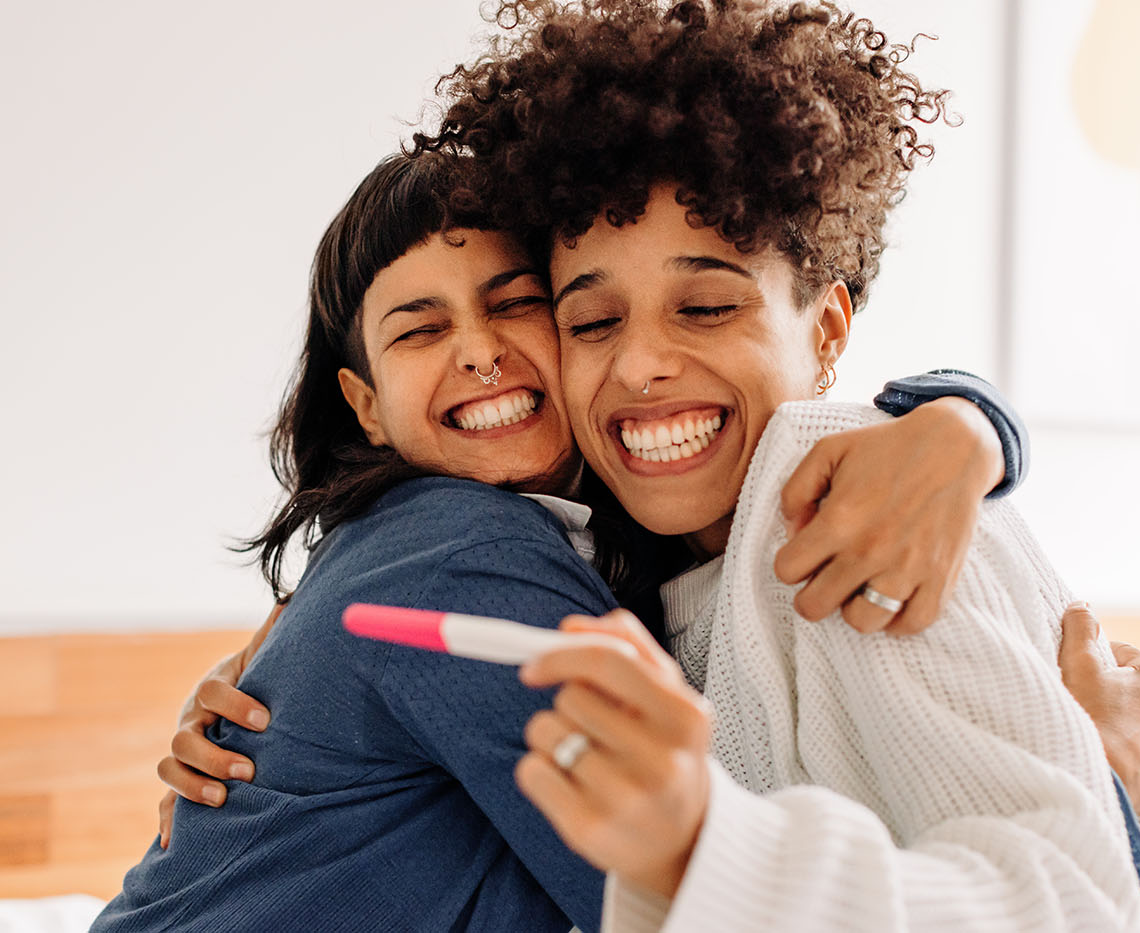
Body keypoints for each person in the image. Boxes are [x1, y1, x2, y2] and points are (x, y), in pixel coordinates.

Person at [406, 0, 1140, 929]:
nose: (639, 364)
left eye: (707, 308)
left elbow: (1070, 903)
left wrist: (704, 847)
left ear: (828, 326)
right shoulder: (634, 555)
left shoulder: (854, 509)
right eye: (592, 323)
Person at [93, 152, 1084, 932]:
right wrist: (1103, 790)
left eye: (515, 302)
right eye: (418, 330)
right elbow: (682, 879)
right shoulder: (460, 551)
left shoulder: (576, 549)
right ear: (366, 408)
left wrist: (970, 421)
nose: (479, 349)